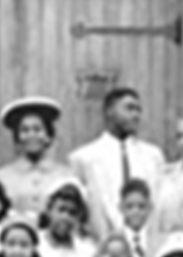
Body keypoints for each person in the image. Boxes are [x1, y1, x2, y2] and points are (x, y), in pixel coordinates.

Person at [71, 86, 167, 240]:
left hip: (146, 241)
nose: (136, 115)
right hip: (101, 241)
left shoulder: (153, 156)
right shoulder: (84, 158)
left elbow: (158, 202)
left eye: (138, 110)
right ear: (109, 112)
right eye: (129, 108)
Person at [0, 97, 80, 227]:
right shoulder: (2, 177)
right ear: (17, 137)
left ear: (48, 135)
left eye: (37, 130)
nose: (31, 135)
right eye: (25, 130)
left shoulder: (66, 175)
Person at [37, 182, 97, 257]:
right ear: (49, 210)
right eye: (61, 210)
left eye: (72, 213)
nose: (65, 217)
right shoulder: (34, 246)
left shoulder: (87, 252)